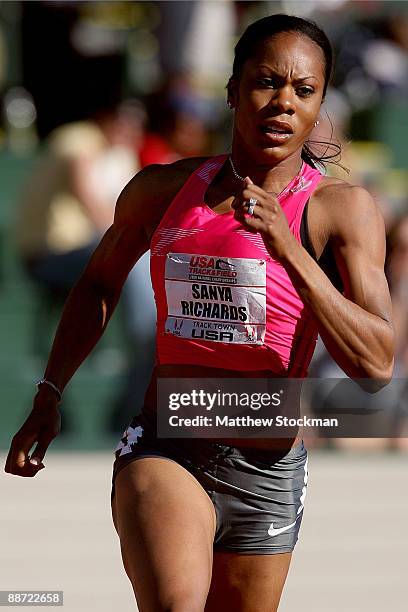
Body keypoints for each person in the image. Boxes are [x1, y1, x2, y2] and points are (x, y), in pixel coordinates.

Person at [4, 14, 394, 612]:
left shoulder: (342, 211)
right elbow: (97, 283)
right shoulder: (162, 191)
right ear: (233, 90)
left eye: (304, 90)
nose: (283, 102)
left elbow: (375, 364)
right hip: (170, 445)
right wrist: (49, 393)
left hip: (270, 466)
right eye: (266, 82)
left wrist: (289, 251)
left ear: (320, 107)